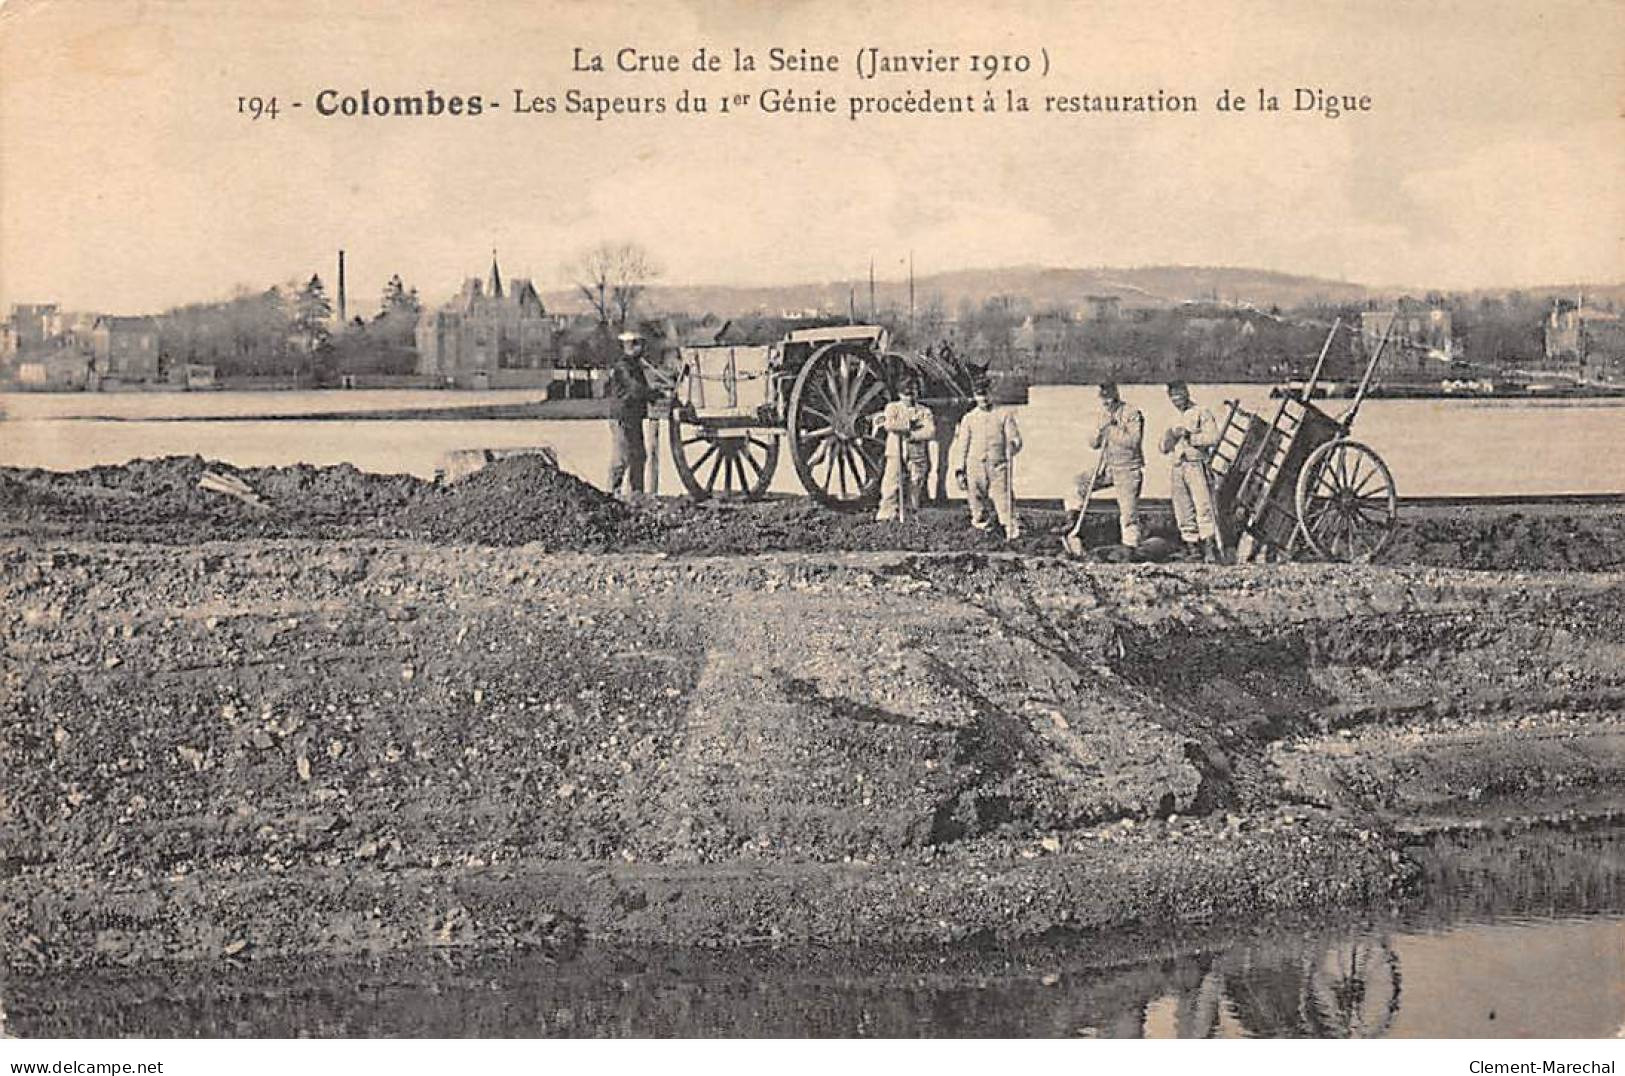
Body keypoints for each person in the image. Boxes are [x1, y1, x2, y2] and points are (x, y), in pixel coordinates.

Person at [951, 378, 1023, 540]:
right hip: (974, 465)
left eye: (985, 394)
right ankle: (981, 531)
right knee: (976, 500)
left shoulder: (1003, 415)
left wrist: (1013, 444)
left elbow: (1016, 438)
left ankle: (1011, 533)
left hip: (998, 465)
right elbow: (962, 445)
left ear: (991, 394)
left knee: (1004, 498)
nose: (983, 399)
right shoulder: (969, 418)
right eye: (979, 395)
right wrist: (959, 470)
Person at [1160, 380, 1223, 561]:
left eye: (1179, 394)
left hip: (1196, 464)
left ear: (1187, 393)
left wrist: (1190, 436)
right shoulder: (1170, 417)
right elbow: (1162, 447)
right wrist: (1169, 438)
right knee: (1183, 508)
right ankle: (1193, 549)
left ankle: (1210, 549)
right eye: (1173, 396)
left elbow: (1213, 438)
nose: (1177, 399)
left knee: (1203, 506)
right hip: (1178, 466)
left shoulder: (1201, 412)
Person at [1087, 383, 1144, 547]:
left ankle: (1130, 548)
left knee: (1128, 513)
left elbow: (1133, 441)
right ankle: (1074, 524)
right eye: (1103, 397)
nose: (1106, 401)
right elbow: (1093, 443)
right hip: (1108, 468)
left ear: (1116, 395)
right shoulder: (1102, 415)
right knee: (1077, 485)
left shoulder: (1131, 413)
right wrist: (1099, 431)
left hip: (1128, 468)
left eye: (1109, 396)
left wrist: (1112, 430)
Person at [873, 377, 936, 521]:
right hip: (896, 451)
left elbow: (930, 431)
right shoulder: (893, 408)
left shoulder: (924, 411)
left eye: (913, 393)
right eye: (906, 394)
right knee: (891, 483)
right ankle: (886, 515)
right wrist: (909, 424)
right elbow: (889, 424)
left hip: (916, 452)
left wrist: (911, 435)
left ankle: (910, 515)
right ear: (900, 394)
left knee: (915, 483)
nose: (910, 397)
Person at [605, 330, 653, 499]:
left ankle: (636, 493)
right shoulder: (623, 366)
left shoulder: (636, 365)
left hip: (634, 416)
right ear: (627, 346)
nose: (639, 348)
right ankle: (612, 493)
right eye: (635, 344)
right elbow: (634, 389)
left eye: (639, 344)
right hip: (622, 416)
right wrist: (653, 394)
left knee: (639, 455)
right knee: (622, 456)